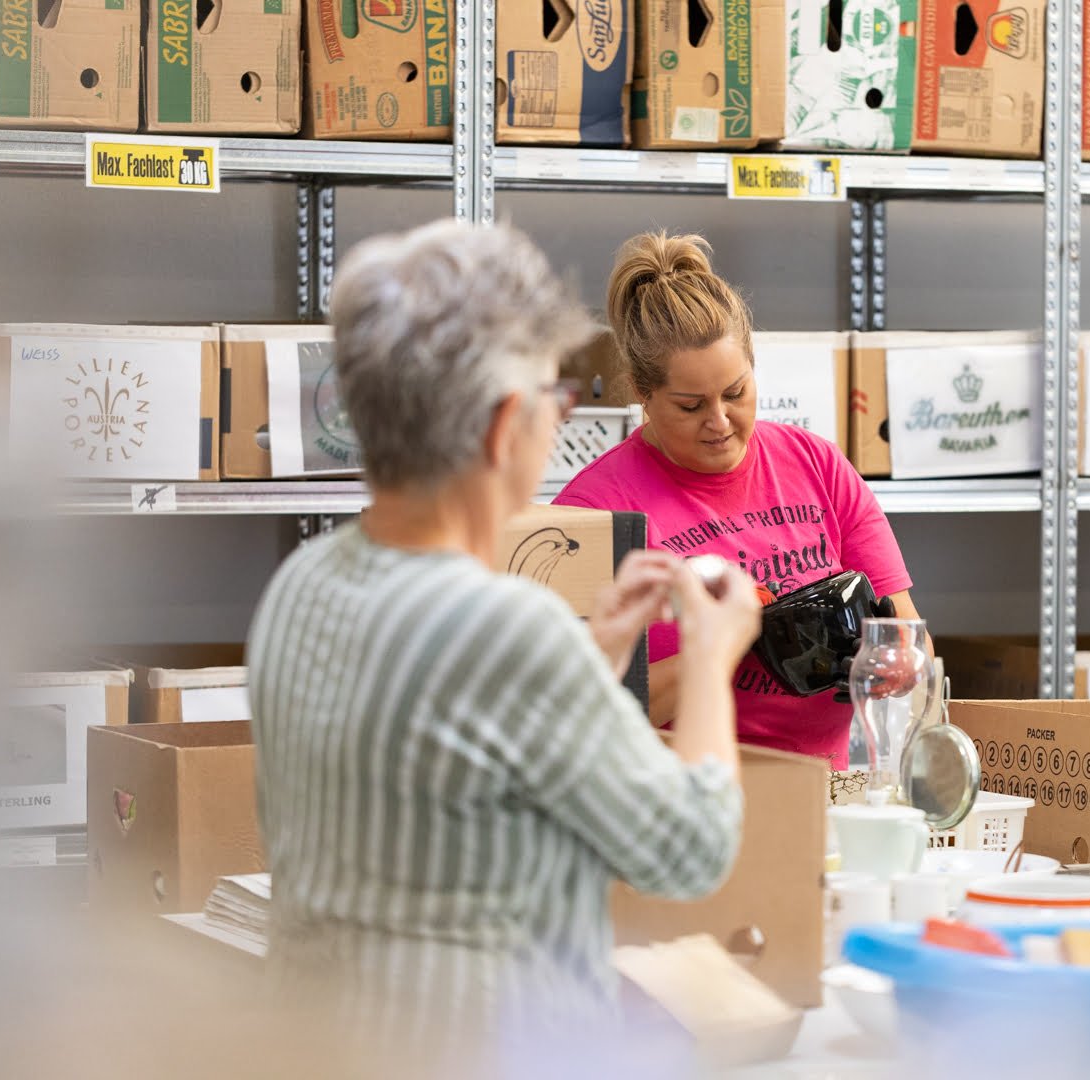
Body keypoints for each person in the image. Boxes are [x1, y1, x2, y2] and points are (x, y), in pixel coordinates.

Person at [245, 219, 764, 1061]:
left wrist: (594, 657)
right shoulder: (505, 629)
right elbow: (689, 850)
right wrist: (709, 658)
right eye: (554, 404)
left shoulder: (301, 588)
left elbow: (452, 783)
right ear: (501, 431)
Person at [554, 232, 923, 770]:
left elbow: (911, 635)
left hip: (825, 788)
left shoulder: (816, 464)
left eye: (736, 392)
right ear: (640, 392)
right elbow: (580, 711)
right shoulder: (593, 514)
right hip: (681, 797)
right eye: (690, 405)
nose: (720, 423)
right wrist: (728, 643)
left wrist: (892, 663)